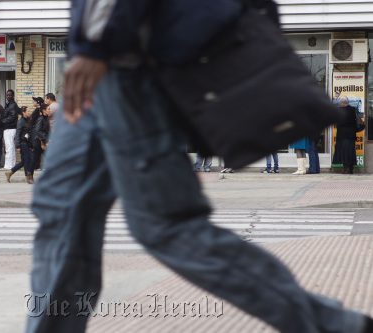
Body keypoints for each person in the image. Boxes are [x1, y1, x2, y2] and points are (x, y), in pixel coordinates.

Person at [25, 1, 373, 333]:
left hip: (126, 65)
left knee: (165, 225)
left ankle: (330, 324)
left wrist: (94, 43)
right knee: (61, 210)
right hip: (114, 65)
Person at [5, 106, 32, 182]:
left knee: (24, 161)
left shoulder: (28, 120)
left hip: (26, 142)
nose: (29, 112)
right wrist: (18, 146)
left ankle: (10, 172)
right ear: (23, 112)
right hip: (22, 143)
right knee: (27, 160)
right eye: (28, 111)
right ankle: (27, 177)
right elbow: (18, 134)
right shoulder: (21, 122)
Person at [333, 97, 357, 174]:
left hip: (342, 134)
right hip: (351, 134)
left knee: (343, 152)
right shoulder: (352, 110)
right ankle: (351, 168)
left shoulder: (338, 110)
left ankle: (345, 169)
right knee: (351, 151)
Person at [27, 103, 50, 184]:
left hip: (45, 142)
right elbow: (38, 130)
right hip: (39, 142)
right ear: (43, 110)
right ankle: (29, 175)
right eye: (48, 109)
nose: (49, 110)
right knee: (35, 160)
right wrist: (45, 140)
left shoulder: (46, 119)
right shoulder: (41, 119)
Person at [1, 89, 19, 170]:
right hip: (8, 127)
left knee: (9, 147)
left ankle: (9, 165)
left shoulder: (12, 105)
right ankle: (11, 164)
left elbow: (13, 117)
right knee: (9, 147)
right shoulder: (8, 104)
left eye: (10, 95)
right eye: (7, 95)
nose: (8, 96)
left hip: (10, 128)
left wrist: (2, 122)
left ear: (13, 95)